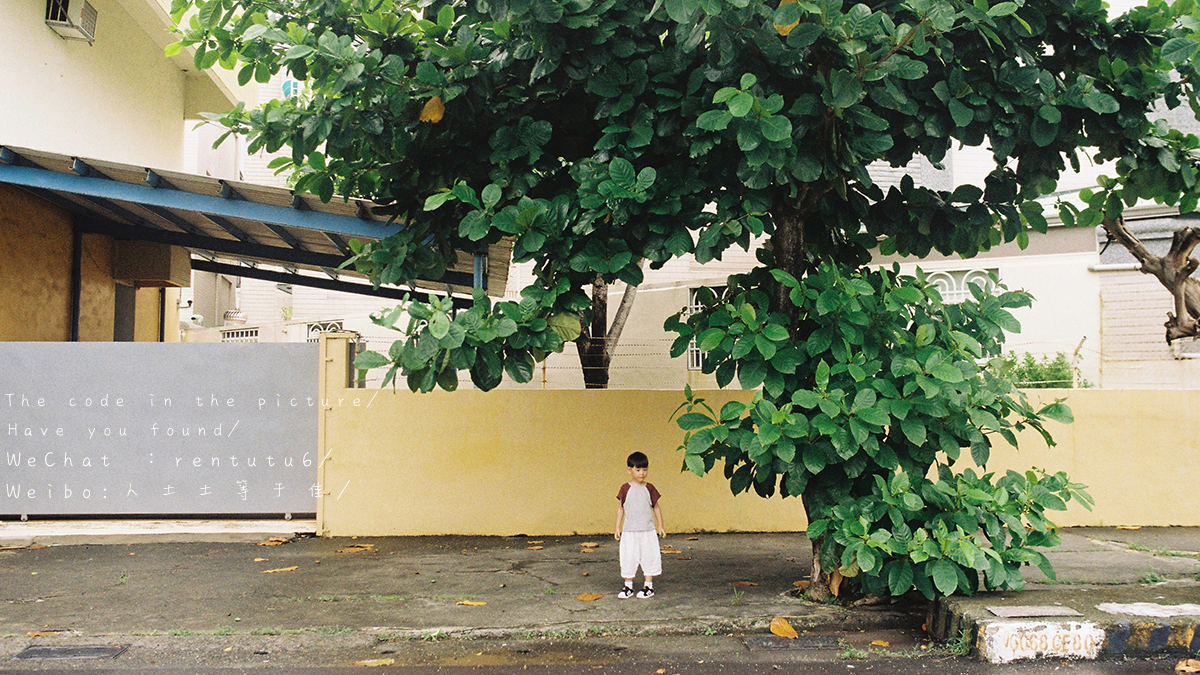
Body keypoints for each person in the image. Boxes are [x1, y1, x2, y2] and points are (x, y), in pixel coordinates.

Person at [614, 451, 666, 599]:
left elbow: (656, 507)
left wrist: (660, 526)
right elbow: (621, 508)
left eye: (645, 469)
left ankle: (648, 586)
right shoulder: (625, 488)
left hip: (648, 531)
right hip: (629, 531)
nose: (642, 473)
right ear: (629, 470)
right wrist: (618, 528)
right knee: (628, 556)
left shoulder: (649, 488)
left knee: (649, 556)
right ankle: (628, 586)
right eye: (638, 470)